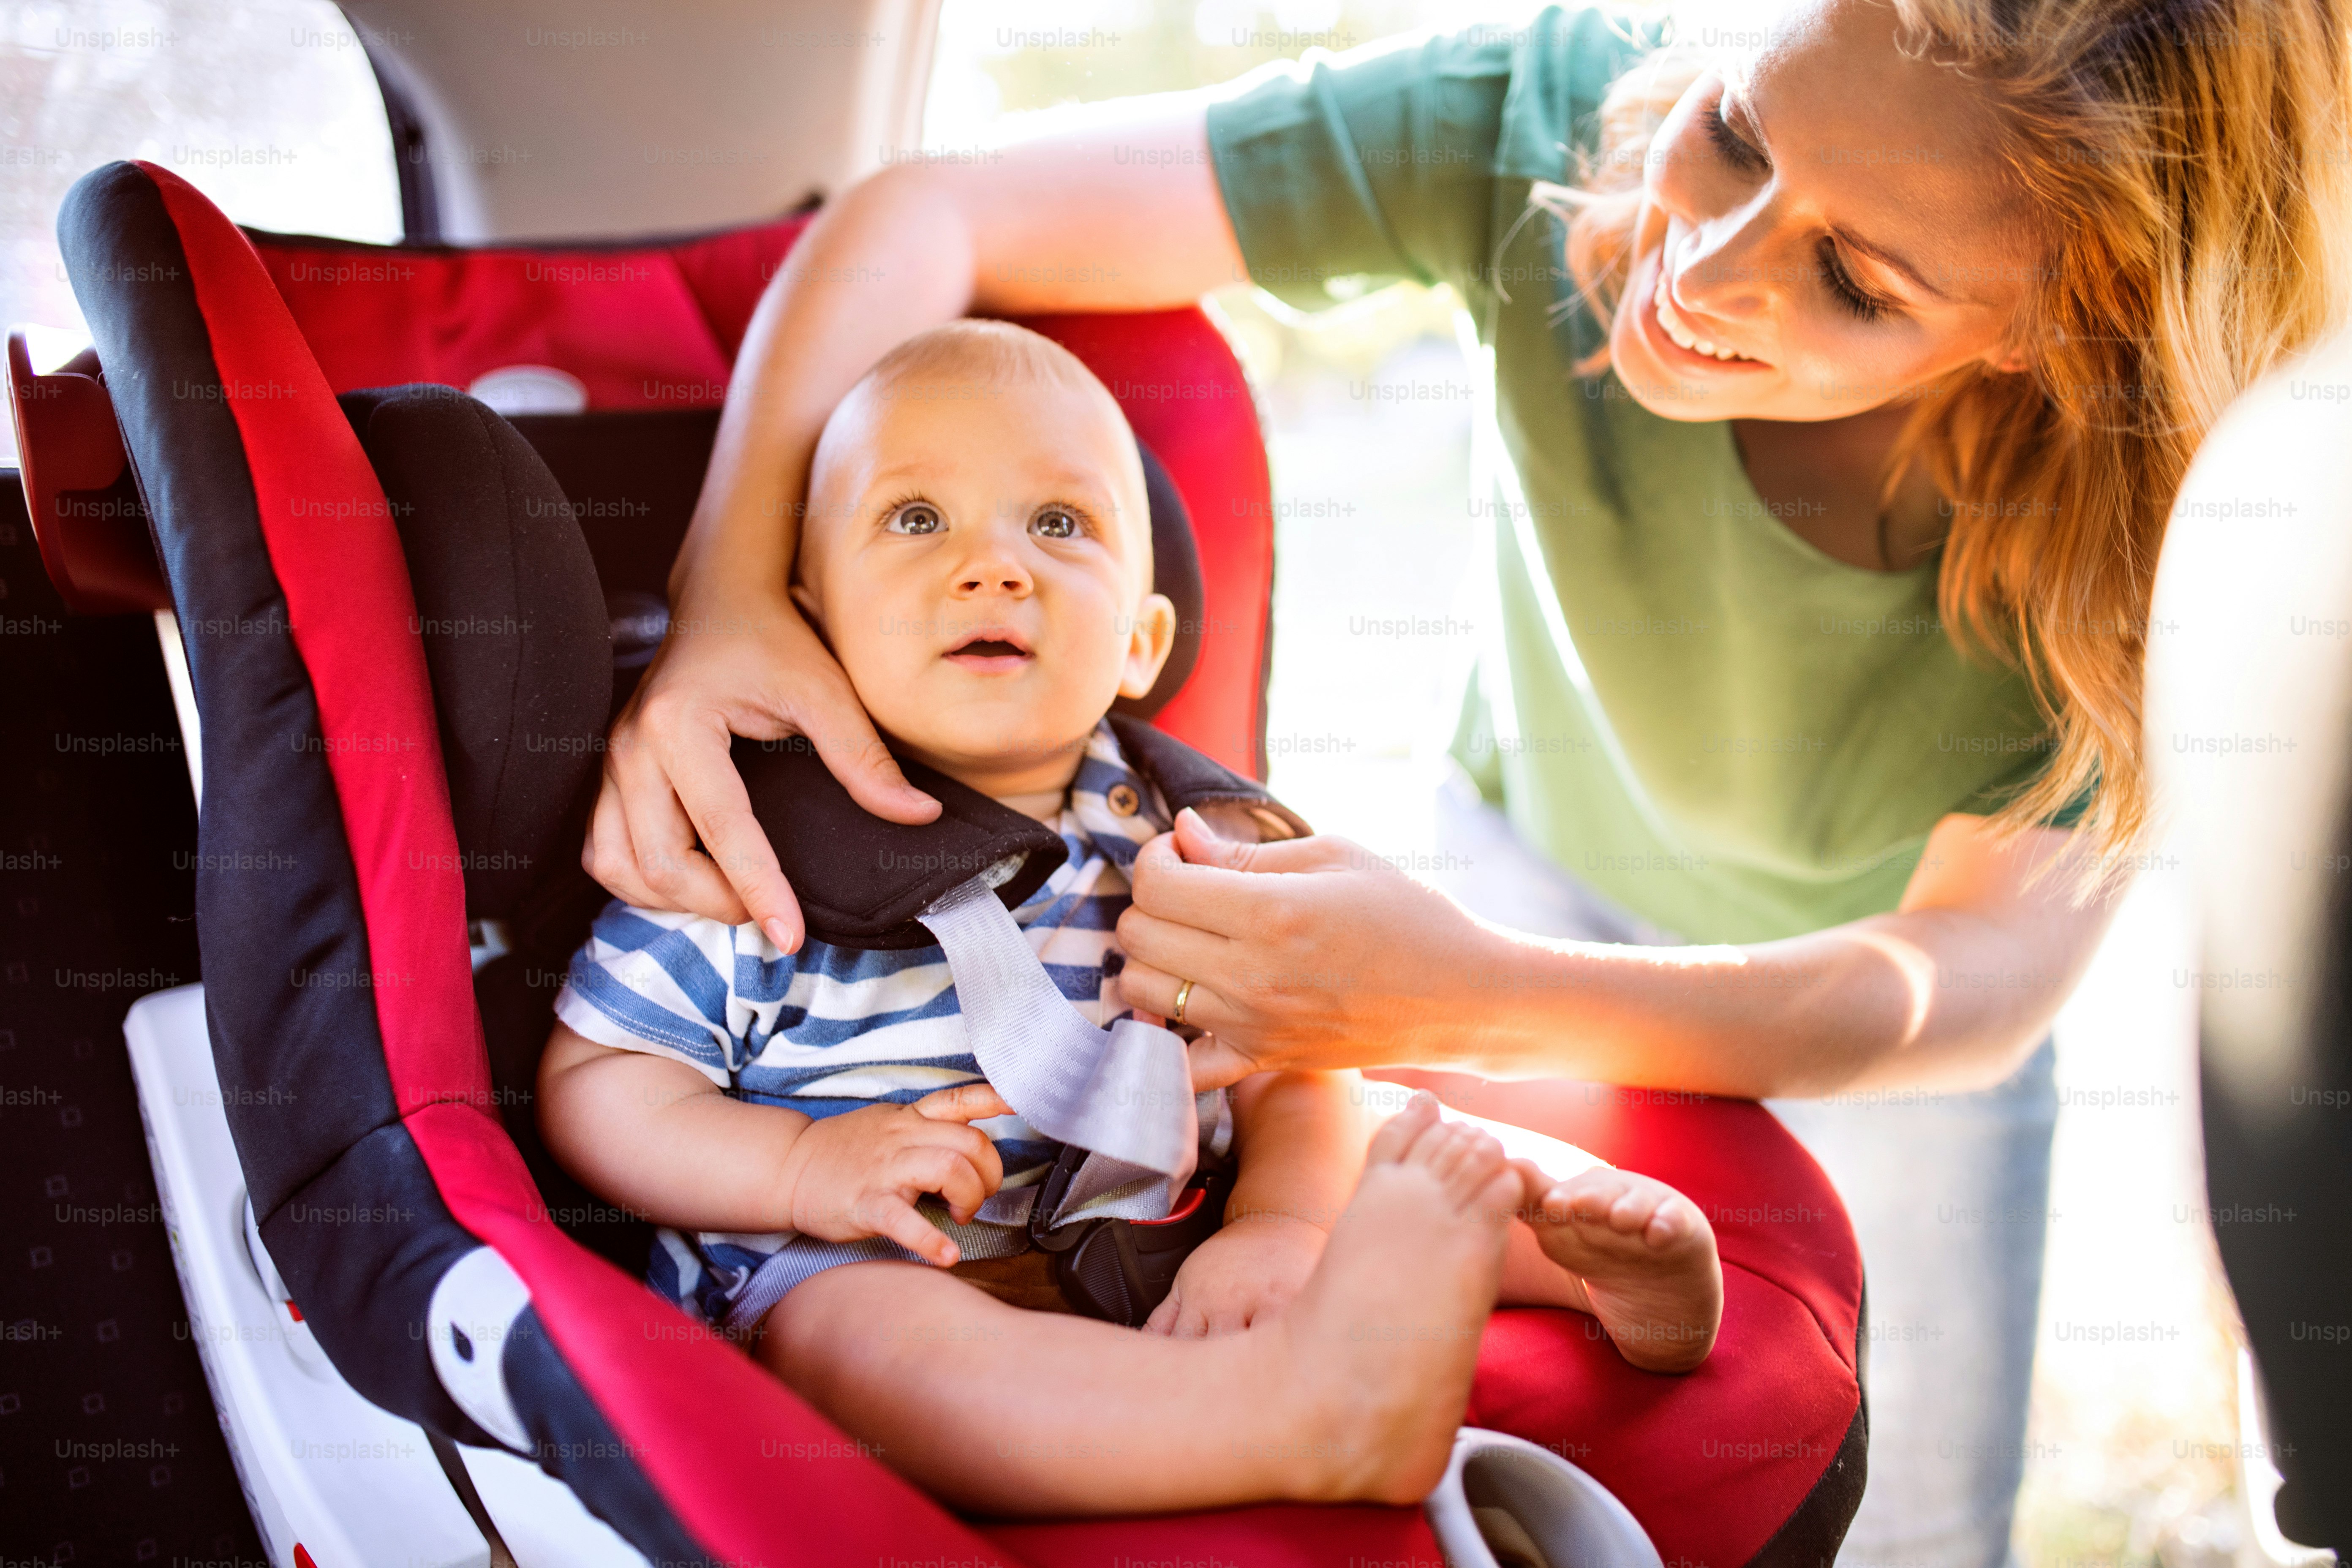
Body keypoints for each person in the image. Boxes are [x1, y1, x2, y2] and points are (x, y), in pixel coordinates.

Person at [580, 3, 2352, 1560]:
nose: (1706, 261)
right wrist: (731, 596)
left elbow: (1956, 992)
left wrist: (1456, 1007)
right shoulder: (1540, 113)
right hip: (1525, 853)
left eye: (1854, 279)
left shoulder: (2156, 500)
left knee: (1907, 1496)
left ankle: (1588, 1265)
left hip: (1868, 1012)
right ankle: (1340, 1371)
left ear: (2061, 322)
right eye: (1732, 129)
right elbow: (927, 210)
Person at [536, 322, 1725, 1515]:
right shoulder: (742, 841)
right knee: (865, 1348)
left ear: (1141, 642)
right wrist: (801, 1168)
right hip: (861, 1264)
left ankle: (1604, 1273)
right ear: (803, 614)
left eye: (1058, 526)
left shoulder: (1197, 840)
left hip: (1180, 1224)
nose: (994, 567)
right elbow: (601, 1085)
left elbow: (1295, 1071)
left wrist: (1278, 1227)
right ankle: (1297, 1419)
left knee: (1402, 1141)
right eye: (914, 520)